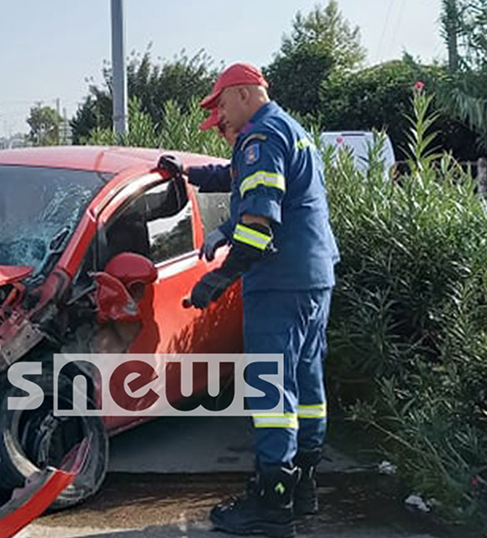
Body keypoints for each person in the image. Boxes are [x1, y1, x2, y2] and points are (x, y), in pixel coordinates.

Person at [184, 63, 339, 538]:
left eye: (222, 108)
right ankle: (302, 488)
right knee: (307, 386)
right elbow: (244, 182)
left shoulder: (260, 138)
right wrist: (188, 173)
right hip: (313, 277)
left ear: (245, 94)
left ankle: (271, 505)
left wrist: (220, 277)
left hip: (279, 282)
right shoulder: (288, 131)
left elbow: (258, 224)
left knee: (272, 390)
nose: (221, 122)